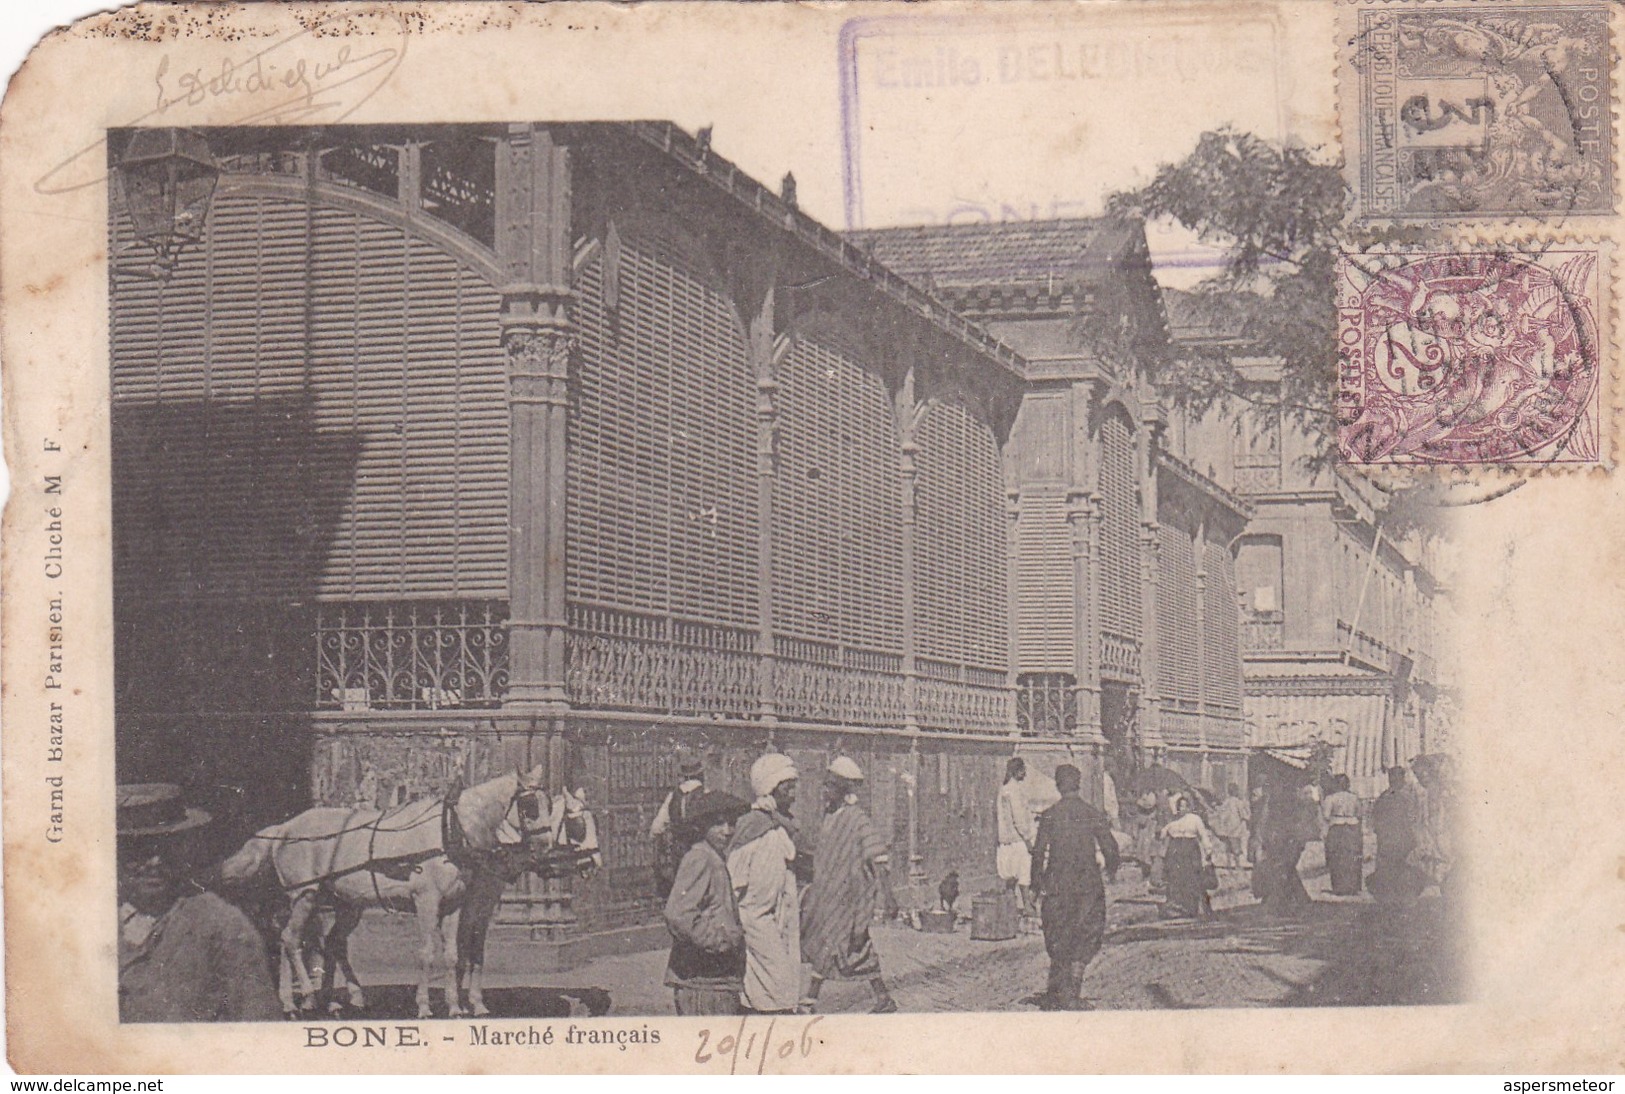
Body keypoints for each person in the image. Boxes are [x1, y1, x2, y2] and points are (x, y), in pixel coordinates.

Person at [117, 783, 282, 1022]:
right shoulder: (90, 923)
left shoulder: (221, 925)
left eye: (165, 848)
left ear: (183, 849)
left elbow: (259, 1023)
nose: (154, 861)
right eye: (137, 850)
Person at [801, 757, 900, 1014]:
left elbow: (878, 857)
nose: (825, 791)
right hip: (829, 896)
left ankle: (810, 1001)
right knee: (837, 945)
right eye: (825, 785)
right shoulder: (829, 817)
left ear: (843, 790)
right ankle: (882, 997)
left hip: (849, 898)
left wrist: (888, 897)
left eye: (830, 787)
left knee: (843, 945)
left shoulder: (857, 819)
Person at [1030, 764, 1120, 1011]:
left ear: (1058, 786)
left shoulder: (1050, 815)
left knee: (1058, 932)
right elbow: (1111, 847)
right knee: (1085, 933)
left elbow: (1038, 854)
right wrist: (1112, 869)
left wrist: (1034, 887)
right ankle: (1072, 992)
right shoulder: (1091, 813)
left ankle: (1057, 990)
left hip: (1057, 883)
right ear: (1078, 785)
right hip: (1087, 884)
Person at [727, 752, 802, 1014]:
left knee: (777, 982)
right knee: (777, 983)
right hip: (755, 918)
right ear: (770, 787)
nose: (793, 791)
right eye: (786, 785)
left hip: (779, 914)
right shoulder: (752, 826)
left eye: (794, 784)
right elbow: (734, 876)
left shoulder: (780, 825)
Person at [663, 790, 749, 1015]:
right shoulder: (700, 857)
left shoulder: (714, 856)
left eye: (732, 823)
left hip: (715, 980)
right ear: (702, 825)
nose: (727, 831)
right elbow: (678, 914)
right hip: (702, 981)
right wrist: (719, 941)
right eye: (719, 824)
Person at [650, 749, 706, 900]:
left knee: (683, 889)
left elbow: (657, 827)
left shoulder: (674, 795)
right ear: (700, 774)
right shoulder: (705, 793)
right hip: (701, 849)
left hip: (679, 849)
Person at [1369, 766, 1427, 903]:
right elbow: (1413, 818)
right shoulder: (1406, 797)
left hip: (1387, 838)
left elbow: (1375, 819)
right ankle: (1400, 895)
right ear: (1401, 779)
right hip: (1401, 837)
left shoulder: (1383, 797)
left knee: (1388, 867)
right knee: (1402, 866)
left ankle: (1389, 896)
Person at [1159, 794, 1219, 919]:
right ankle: (1179, 907)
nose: (1183, 809)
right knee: (1177, 879)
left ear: (1189, 807)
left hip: (1191, 850)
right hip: (1175, 851)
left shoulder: (1195, 819)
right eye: (1180, 806)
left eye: (1185, 806)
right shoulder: (1172, 820)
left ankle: (1197, 907)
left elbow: (1203, 835)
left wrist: (1208, 850)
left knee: (1194, 878)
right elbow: (1162, 835)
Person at [1257, 784, 1315, 910]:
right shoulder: (1292, 805)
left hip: (1284, 840)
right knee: (1286, 869)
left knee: (1284, 869)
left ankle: (1282, 901)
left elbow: (1264, 823)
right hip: (1284, 841)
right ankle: (1298, 899)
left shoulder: (1280, 805)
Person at [996, 758, 1038, 917]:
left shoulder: (1004, 789)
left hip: (1006, 840)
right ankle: (1027, 906)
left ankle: (1009, 905)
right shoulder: (1015, 791)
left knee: (1010, 875)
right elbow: (1019, 818)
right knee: (1023, 874)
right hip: (1018, 840)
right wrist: (1027, 839)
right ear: (1018, 771)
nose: (1025, 774)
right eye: (1023, 770)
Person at [1320, 774, 1363, 896]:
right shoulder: (1354, 798)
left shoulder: (1330, 798)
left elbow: (1326, 815)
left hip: (1337, 827)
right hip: (1352, 827)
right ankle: (1352, 887)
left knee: (1337, 858)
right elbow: (1359, 814)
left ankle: (1339, 887)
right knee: (1352, 857)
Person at [1210, 782, 1251, 868]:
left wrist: (1215, 808)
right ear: (1236, 791)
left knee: (1228, 848)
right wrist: (1248, 816)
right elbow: (1243, 815)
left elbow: (1220, 811)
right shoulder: (1238, 802)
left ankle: (1228, 863)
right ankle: (1237, 864)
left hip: (1227, 829)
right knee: (1236, 848)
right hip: (1236, 829)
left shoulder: (1226, 801)